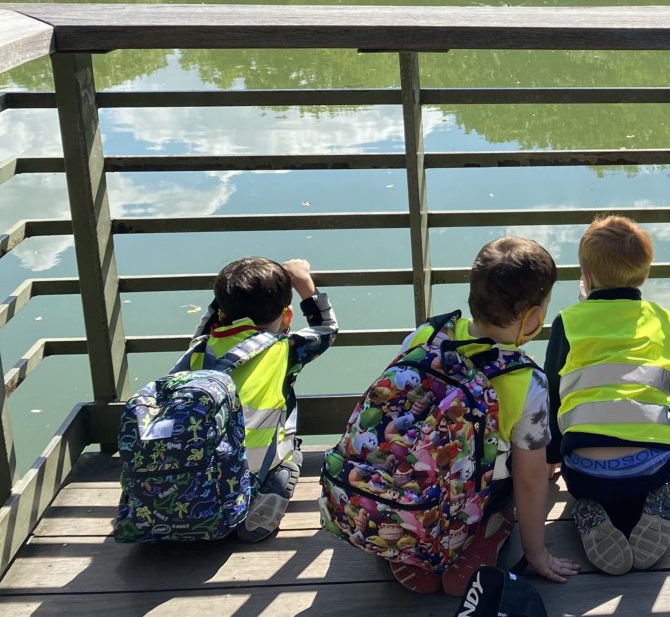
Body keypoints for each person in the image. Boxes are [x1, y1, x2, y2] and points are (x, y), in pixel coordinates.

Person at [374, 238, 578, 593]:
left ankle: (406, 538)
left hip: (409, 480)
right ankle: (489, 528)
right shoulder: (527, 382)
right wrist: (536, 553)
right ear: (533, 318)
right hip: (475, 495)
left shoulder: (427, 334)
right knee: (503, 482)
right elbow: (530, 479)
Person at [547, 216, 670, 576]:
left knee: (584, 485)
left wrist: (550, 458)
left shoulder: (568, 321)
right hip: (651, 469)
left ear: (586, 276)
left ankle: (588, 510)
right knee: (655, 473)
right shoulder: (665, 320)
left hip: (583, 473)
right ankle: (658, 501)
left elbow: (551, 396)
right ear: (644, 274)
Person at [179, 256, 337, 542]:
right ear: (287, 316)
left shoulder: (201, 347)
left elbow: (209, 322)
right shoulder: (284, 349)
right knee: (293, 454)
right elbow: (326, 329)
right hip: (248, 474)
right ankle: (260, 507)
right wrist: (305, 285)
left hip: (196, 471)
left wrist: (228, 296)